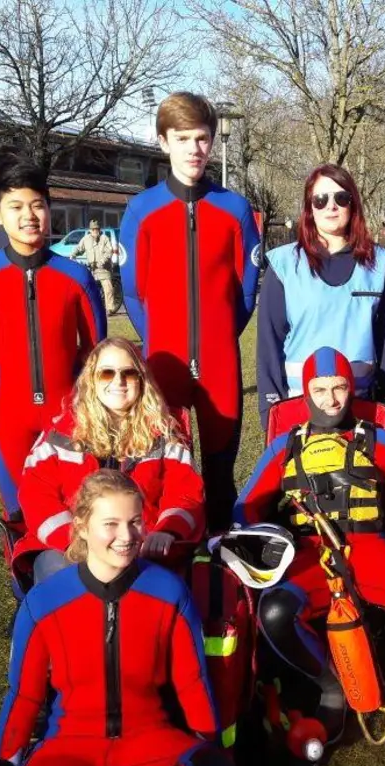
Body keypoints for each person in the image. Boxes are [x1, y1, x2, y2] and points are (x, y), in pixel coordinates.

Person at [0, 470, 235, 766]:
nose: (127, 536)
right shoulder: (44, 601)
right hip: (71, 747)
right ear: (81, 525)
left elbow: (192, 683)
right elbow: (23, 695)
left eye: (136, 521)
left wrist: (213, 750)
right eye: (111, 524)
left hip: (149, 741)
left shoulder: (168, 590)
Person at [235, 347, 385, 766]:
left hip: (371, 547)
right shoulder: (285, 447)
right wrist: (247, 537)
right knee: (277, 612)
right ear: (305, 393)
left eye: (339, 387)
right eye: (320, 389)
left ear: (351, 387)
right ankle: (331, 689)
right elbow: (246, 505)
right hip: (310, 553)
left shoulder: (380, 440)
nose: (331, 398)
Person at [120, 92, 261, 533]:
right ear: (164, 142)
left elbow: (246, 291)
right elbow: (132, 292)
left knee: (221, 476)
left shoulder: (235, 209)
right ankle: (171, 560)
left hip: (220, 365)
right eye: (183, 139)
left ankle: (220, 563)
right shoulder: (141, 210)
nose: (194, 149)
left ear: (213, 142)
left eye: (202, 139)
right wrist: (162, 337)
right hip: (165, 365)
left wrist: (219, 334)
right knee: (164, 472)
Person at [0, 159, 108, 522]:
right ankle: (24, 576)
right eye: (16, 206)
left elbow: (94, 347)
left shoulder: (77, 277)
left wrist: (69, 378)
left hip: (69, 412)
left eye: (38, 204)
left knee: (80, 511)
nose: (29, 215)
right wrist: (4, 376)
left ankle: (78, 579)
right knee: (19, 515)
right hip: (8, 414)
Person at [17, 337, 205, 585]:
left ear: (142, 380)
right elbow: (36, 495)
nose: (119, 381)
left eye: (129, 373)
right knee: (63, 580)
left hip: (140, 546)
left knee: (159, 589)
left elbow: (187, 493)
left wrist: (167, 530)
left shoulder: (165, 432)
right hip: (70, 547)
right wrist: (76, 541)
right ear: (91, 380)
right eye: (107, 373)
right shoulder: (61, 432)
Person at [256, 164, 385, 430]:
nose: (331, 206)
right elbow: (269, 345)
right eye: (321, 199)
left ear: (353, 204)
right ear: (309, 207)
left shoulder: (378, 264)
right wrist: (270, 410)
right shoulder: (283, 265)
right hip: (300, 408)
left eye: (341, 198)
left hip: (360, 407)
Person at [70, 219, 122, 315]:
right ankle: (89, 308)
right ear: (90, 230)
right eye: (93, 229)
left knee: (108, 288)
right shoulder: (86, 239)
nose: (95, 231)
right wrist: (73, 254)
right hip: (92, 268)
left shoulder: (104, 238)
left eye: (97, 229)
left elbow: (109, 251)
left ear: (99, 229)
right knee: (87, 287)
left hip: (104, 268)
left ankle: (110, 309)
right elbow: (79, 248)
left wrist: (102, 261)